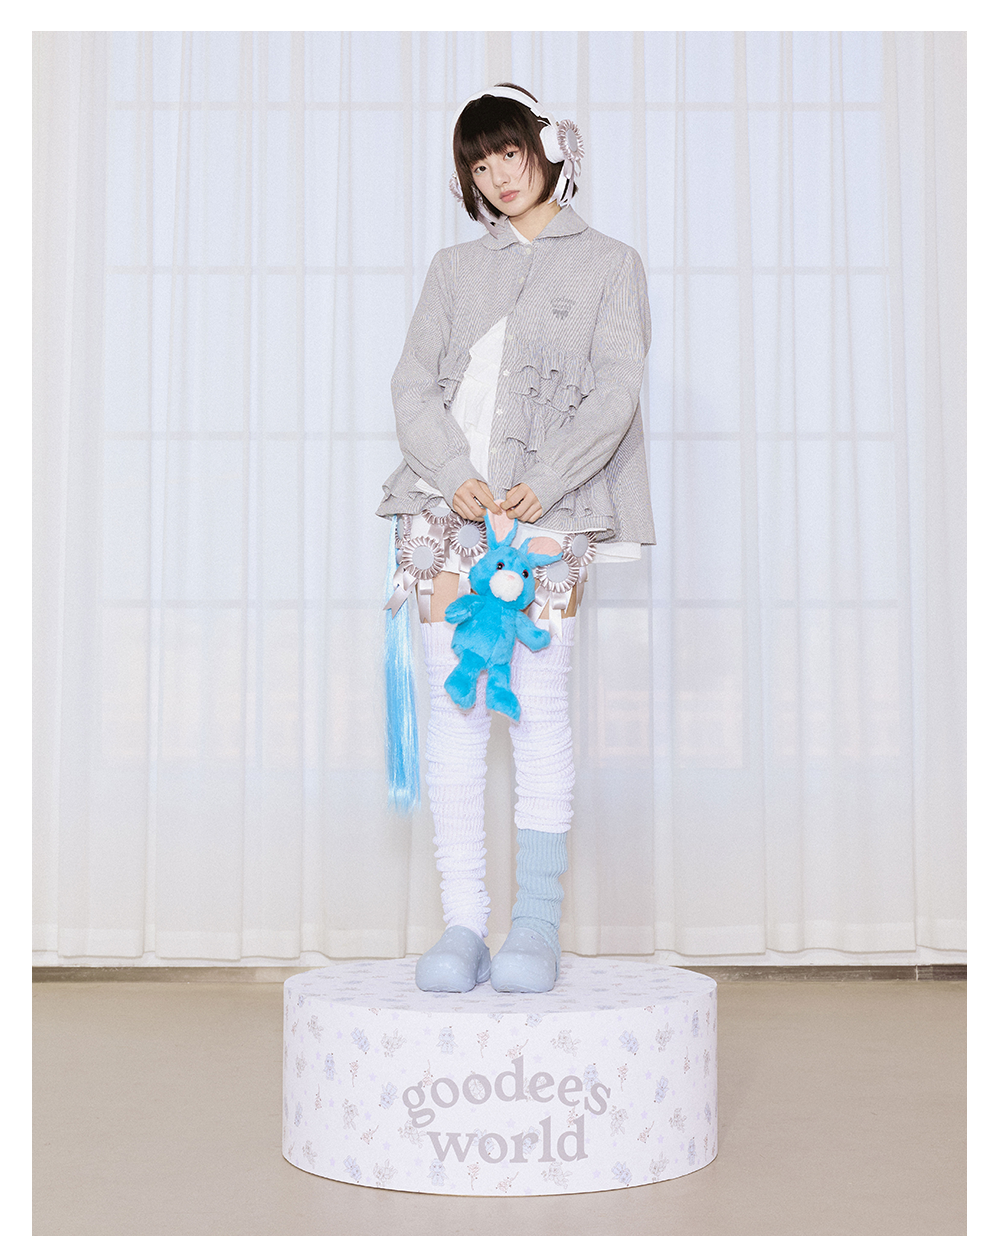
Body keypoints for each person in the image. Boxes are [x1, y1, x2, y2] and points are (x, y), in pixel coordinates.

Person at [378, 84, 654, 994]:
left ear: (548, 147)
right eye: (478, 162)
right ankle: (463, 925)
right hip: (445, 508)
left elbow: (616, 390)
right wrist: (453, 469)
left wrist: (552, 478)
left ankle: (534, 924)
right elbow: (412, 383)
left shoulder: (611, 265)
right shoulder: (454, 270)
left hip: (553, 515)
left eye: (508, 151)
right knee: (455, 711)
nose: (496, 175)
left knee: (536, 710)